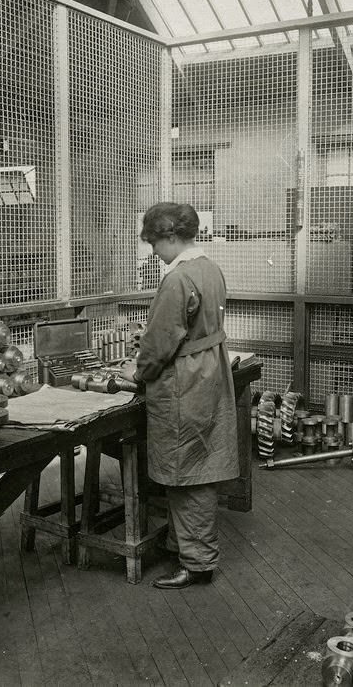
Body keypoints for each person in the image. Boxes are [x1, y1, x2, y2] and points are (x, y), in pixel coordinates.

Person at [118, 202, 238, 590]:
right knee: (198, 464)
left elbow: (159, 344)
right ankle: (183, 546)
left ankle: (198, 563)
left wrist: (138, 373)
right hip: (209, 373)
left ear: (170, 237)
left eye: (154, 243)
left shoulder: (177, 279)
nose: (153, 251)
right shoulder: (209, 268)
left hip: (184, 382)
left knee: (186, 472)